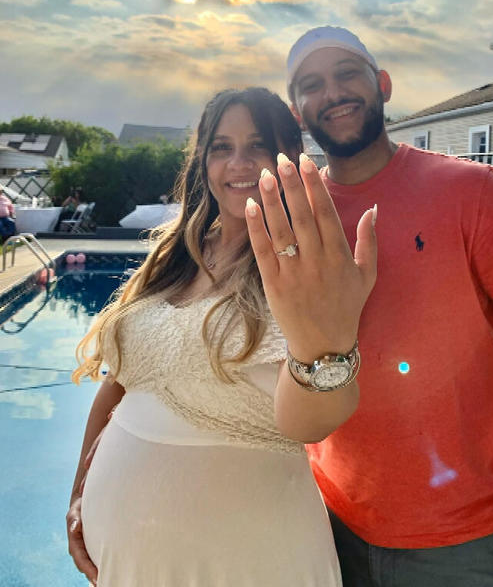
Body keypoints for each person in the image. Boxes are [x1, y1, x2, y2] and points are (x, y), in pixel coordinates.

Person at [285, 26, 493, 587]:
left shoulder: (468, 191)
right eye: (312, 84)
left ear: (382, 84)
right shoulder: (295, 212)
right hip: (328, 527)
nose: (332, 92)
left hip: (464, 541)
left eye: (346, 74)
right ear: (297, 110)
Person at [67, 86, 377, 586]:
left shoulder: (305, 269)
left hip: (246, 557)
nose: (238, 163)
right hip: (126, 557)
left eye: (257, 145)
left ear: (289, 156)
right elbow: (119, 384)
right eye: (221, 147)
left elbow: (311, 424)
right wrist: (80, 489)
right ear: (202, 161)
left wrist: (326, 348)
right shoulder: (175, 254)